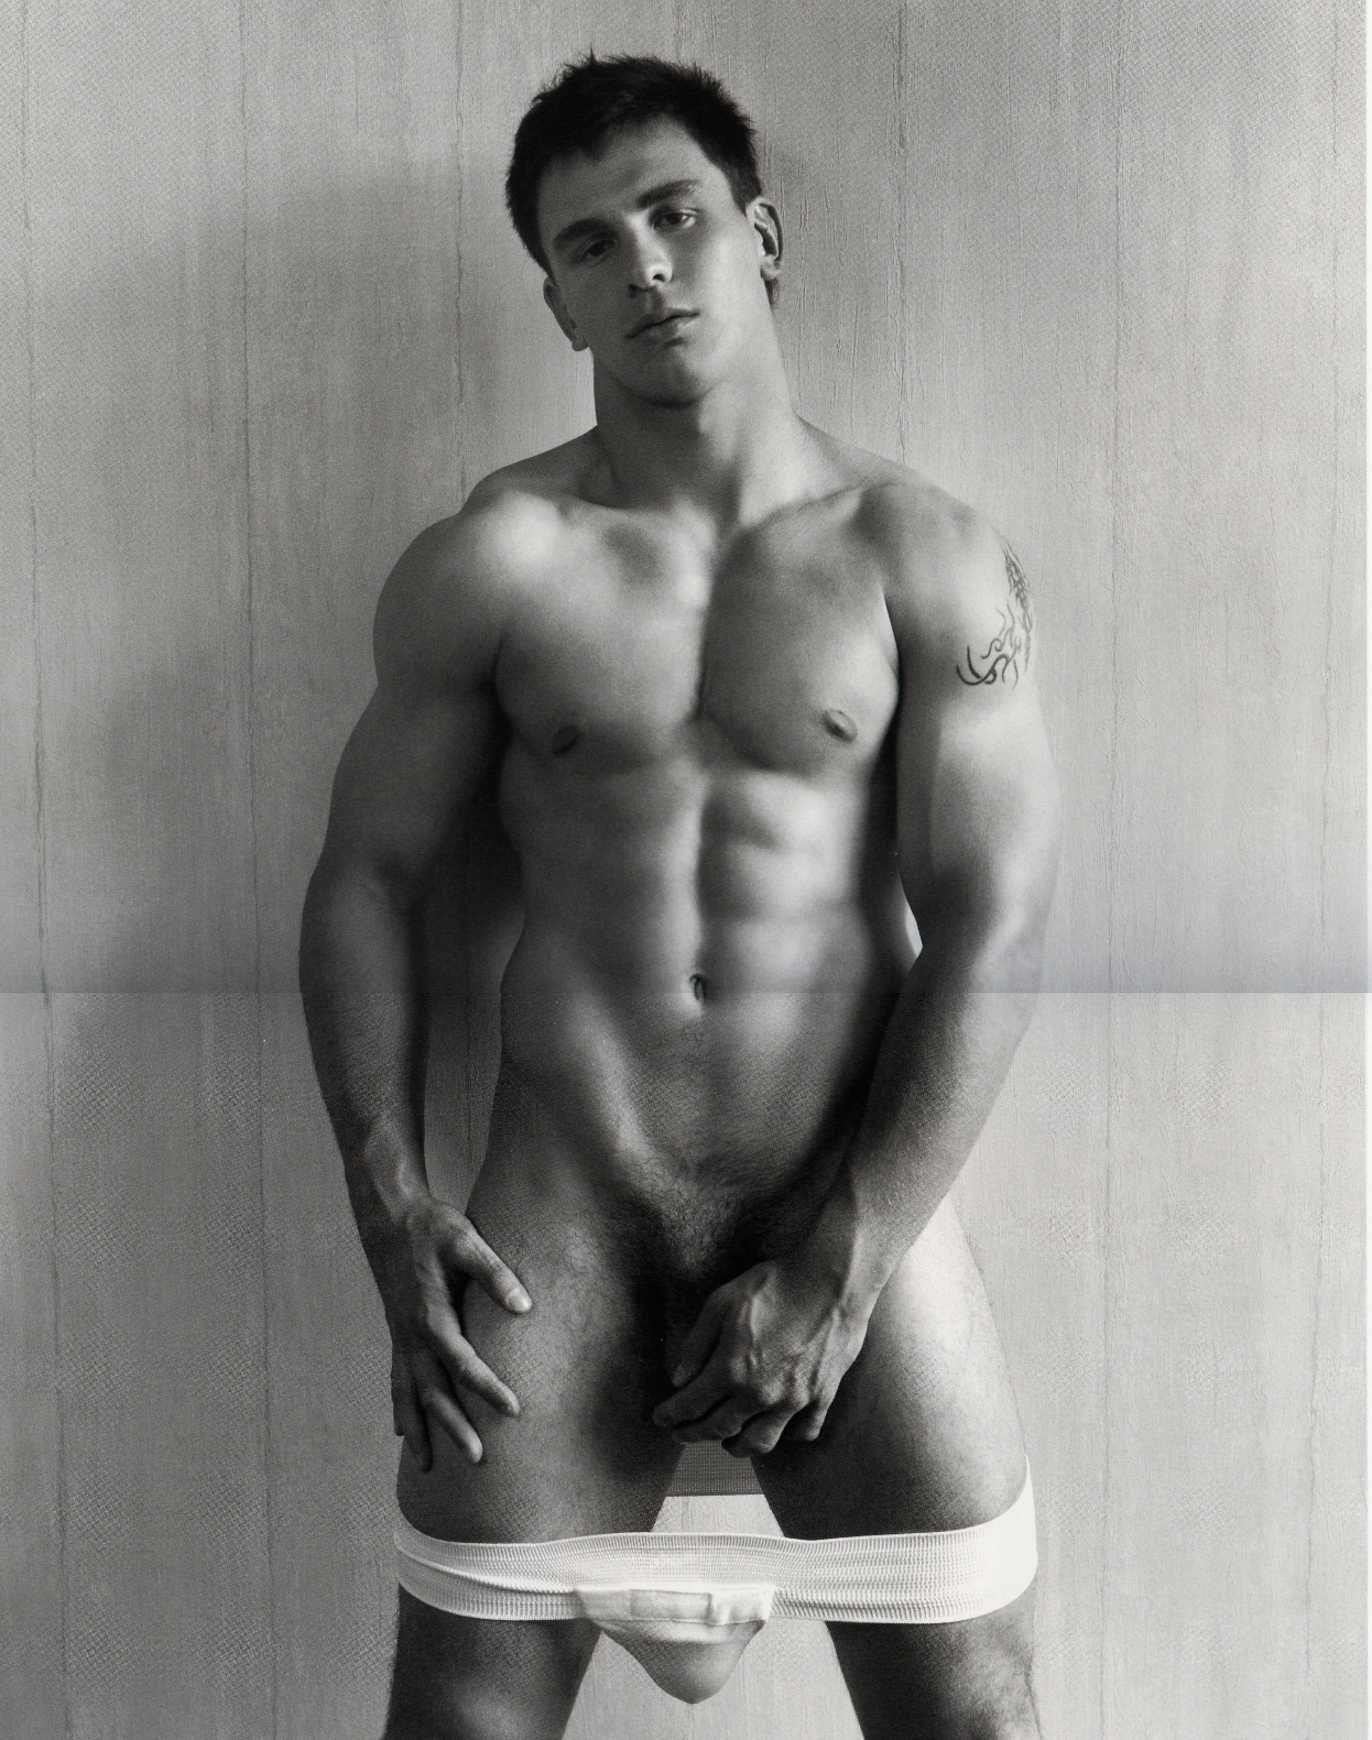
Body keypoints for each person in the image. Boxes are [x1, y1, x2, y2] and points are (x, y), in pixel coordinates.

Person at [299, 49, 1061, 1740]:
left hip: (843, 1195)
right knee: (462, 1725)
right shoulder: (497, 560)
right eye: (591, 243)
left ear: (759, 235)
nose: (643, 265)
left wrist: (847, 1261)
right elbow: (366, 879)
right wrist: (389, 1204)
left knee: (980, 1719)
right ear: (557, 302)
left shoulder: (921, 555)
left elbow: (995, 923)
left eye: (676, 215)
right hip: (566, 1216)